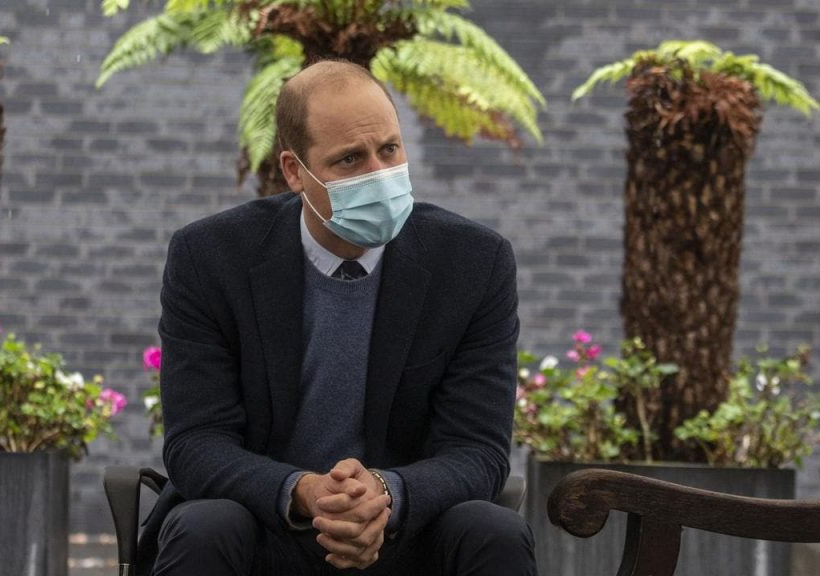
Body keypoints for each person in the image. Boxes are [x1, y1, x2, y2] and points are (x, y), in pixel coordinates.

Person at [149, 59, 536, 575]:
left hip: (406, 532)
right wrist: (304, 491)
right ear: (295, 172)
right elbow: (196, 442)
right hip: (263, 525)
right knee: (203, 526)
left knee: (494, 531)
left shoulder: (473, 262)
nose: (378, 173)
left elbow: (477, 450)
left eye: (389, 150)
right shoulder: (211, 257)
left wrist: (384, 492)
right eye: (350, 159)